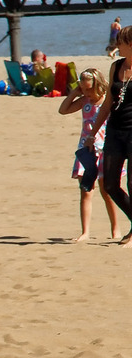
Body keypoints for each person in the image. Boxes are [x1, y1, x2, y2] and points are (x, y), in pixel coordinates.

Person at [60, 67, 121, 242]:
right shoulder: (84, 101)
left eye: (89, 89)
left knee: (107, 191)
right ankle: (85, 232)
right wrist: (74, 93)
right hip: (86, 150)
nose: (87, 93)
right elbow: (63, 110)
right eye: (83, 89)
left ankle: (115, 228)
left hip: (104, 149)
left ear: (98, 85)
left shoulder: (107, 101)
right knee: (86, 190)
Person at [92, 27, 132, 246]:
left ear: (130, 44)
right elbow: (108, 101)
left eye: (120, 42)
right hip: (114, 131)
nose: (117, 46)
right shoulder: (116, 66)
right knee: (109, 184)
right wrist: (93, 132)